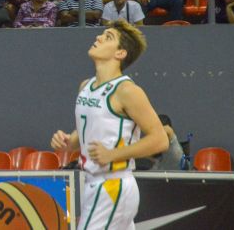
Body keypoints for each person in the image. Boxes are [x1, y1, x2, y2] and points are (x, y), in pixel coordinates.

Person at [51, 21, 168, 229]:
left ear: (121, 53)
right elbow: (86, 133)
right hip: (94, 183)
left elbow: (160, 140)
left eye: (108, 37)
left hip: (113, 184)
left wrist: (112, 155)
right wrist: (68, 142)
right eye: (102, 34)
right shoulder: (85, 86)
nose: (98, 38)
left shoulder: (127, 91)